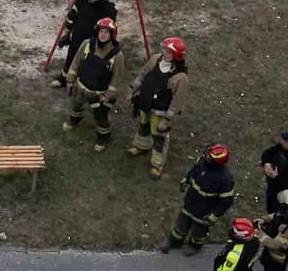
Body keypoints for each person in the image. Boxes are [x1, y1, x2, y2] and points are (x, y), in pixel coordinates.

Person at [129, 36, 189, 178]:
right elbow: (143, 74)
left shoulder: (180, 78)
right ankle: (142, 146)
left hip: (160, 111)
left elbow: (177, 102)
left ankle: (157, 164)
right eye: (165, 50)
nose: (165, 53)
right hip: (145, 102)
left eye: (169, 52)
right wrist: (133, 89)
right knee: (143, 125)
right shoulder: (155, 59)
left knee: (159, 137)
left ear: (177, 56)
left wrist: (167, 119)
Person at [161, 143, 235, 255]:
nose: (207, 156)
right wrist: (186, 180)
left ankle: (195, 246)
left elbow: (227, 201)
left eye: (210, 156)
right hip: (190, 203)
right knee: (180, 225)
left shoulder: (224, 179)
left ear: (217, 162)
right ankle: (174, 242)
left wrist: (213, 216)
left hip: (205, 211)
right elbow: (194, 170)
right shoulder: (202, 162)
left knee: (198, 232)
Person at [63, 17, 125, 150]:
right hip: (81, 86)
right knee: (76, 104)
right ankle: (75, 119)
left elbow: (117, 78)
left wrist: (108, 95)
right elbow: (76, 63)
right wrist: (69, 80)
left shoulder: (117, 56)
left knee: (101, 116)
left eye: (106, 32)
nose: (103, 35)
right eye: (101, 31)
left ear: (112, 35)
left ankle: (103, 137)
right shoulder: (86, 45)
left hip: (99, 94)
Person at [50, 0, 116, 85]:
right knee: (71, 57)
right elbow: (73, 13)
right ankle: (64, 78)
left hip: (92, 43)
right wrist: (68, 29)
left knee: (88, 63)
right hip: (76, 37)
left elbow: (110, 30)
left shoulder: (108, 10)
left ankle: (82, 82)